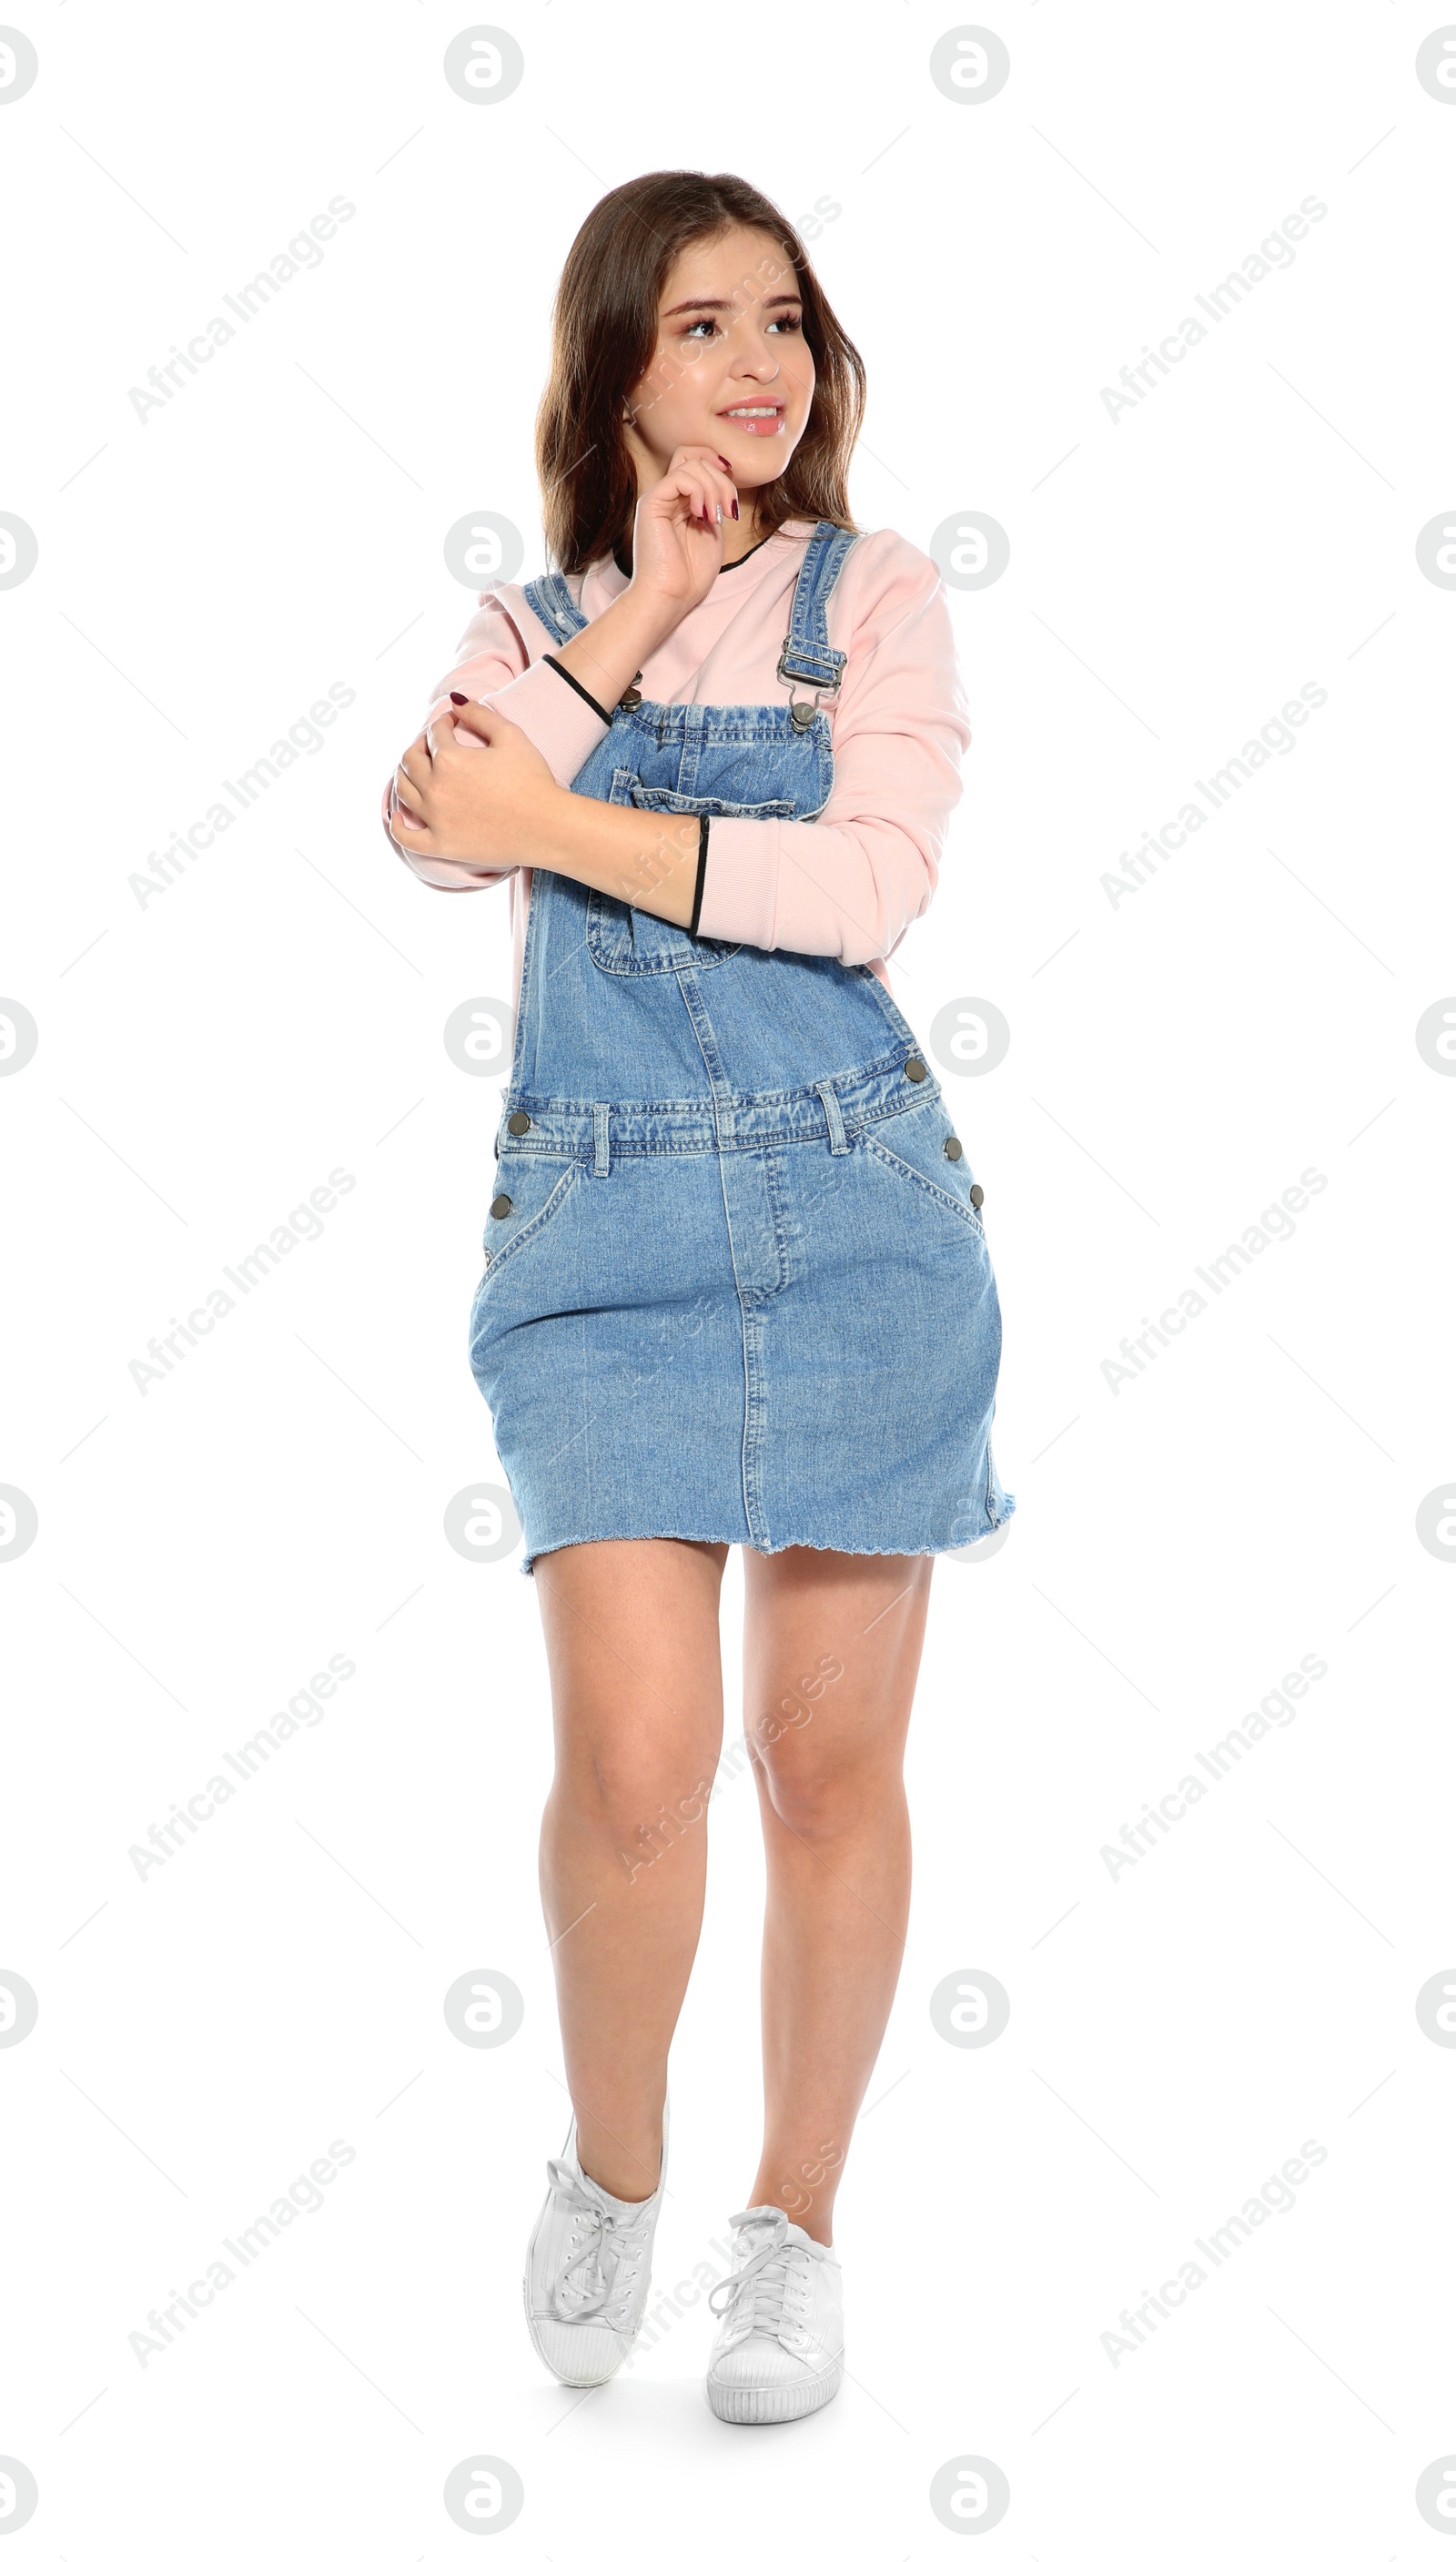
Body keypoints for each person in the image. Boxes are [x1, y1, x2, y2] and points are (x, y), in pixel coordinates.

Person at [383, 168, 1013, 2427]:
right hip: (601, 1251)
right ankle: (612, 2167)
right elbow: (442, 827)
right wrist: (635, 620)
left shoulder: (887, 597)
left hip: (855, 1226)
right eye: (696, 328)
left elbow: (863, 887)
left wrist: (573, 826)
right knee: (635, 1769)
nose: (754, 366)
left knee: (822, 1766)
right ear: (617, 371)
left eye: (784, 322)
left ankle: (795, 2230)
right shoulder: (534, 622)